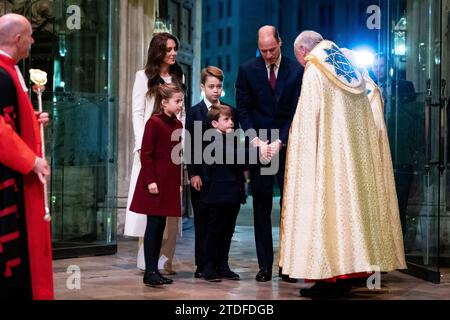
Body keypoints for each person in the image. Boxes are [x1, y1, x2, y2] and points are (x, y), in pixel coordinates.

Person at [279, 31, 406, 299]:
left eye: (298, 58)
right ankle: (346, 277)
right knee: (348, 217)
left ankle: (328, 279)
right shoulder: (353, 71)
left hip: (326, 158)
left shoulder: (315, 69)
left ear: (303, 51)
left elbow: (306, 117)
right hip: (352, 162)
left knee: (326, 213)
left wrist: (297, 141)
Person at [235, 25, 303, 282]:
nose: (268, 55)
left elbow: (298, 111)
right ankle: (264, 266)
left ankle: (288, 266)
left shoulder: (297, 71)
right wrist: (255, 141)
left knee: (290, 208)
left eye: (272, 50)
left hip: (288, 149)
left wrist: (281, 141)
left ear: (280, 43)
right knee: (261, 207)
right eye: (263, 51)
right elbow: (244, 110)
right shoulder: (247, 70)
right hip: (260, 147)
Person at [0, 13, 53, 300]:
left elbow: (9, 119)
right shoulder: (1, 73)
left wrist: (31, 118)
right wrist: (32, 161)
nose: (33, 41)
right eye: (30, 36)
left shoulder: (10, 70)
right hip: (7, 180)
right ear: (18, 39)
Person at [124, 32, 185, 275]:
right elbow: (137, 112)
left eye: (174, 49)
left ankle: (164, 262)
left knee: (170, 207)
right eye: (168, 49)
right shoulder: (143, 76)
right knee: (151, 208)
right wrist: (141, 144)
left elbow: (183, 112)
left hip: (172, 146)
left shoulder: (179, 75)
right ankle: (147, 263)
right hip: (150, 145)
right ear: (158, 50)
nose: (173, 53)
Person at [185, 66, 239, 278]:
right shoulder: (195, 112)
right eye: (211, 86)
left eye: (219, 86)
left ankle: (222, 263)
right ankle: (204, 265)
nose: (216, 90)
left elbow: (236, 143)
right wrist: (193, 173)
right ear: (202, 87)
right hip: (204, 176)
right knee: (204, 221)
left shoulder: (229, 111)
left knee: (225, 223)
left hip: (226, 177)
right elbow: (189, 144)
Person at [129, 82, 184, 286]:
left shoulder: (177, 125)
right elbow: (147, 154)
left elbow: (176, 157)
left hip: (168, 183)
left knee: (161, 227)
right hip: (155, 183)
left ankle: (154, 271)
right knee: (153, 226)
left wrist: (178, 181)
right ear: (164, 103)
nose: (180, 105)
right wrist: (151, 181)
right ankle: (149, 271)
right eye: (177, 101)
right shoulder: (154, 123)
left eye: (181, 101)